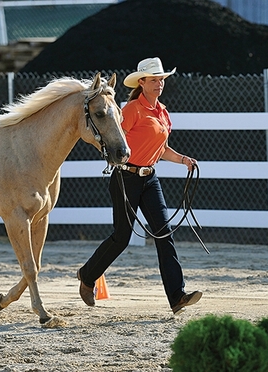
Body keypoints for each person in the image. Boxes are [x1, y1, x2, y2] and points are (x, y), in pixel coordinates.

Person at [77, 57, 202, 315]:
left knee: (164, 234)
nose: (159, 84)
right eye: (154, 80)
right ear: (141, 82)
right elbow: (113, 137)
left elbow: (162, 148)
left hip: (150, 178)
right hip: (126, 177)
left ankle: (177, 296)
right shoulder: (132, 109)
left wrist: (182, 160)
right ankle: (87, 275)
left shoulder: (162, 111)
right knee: (121, 238)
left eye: (161, 79)